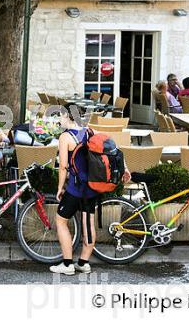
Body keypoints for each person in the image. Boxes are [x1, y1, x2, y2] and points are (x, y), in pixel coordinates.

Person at [50, 104, 130, 275]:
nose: (59, 120)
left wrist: (59, 187)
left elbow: (63, 167)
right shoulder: (89, 131)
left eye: (61, 117)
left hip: (76, 187)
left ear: (67, 117)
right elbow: (111, 150)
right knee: (89, 223)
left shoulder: (65, 137)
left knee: (60, 220)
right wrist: (126, 168)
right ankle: (84, 263)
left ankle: (67, 264)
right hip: (93, 186)